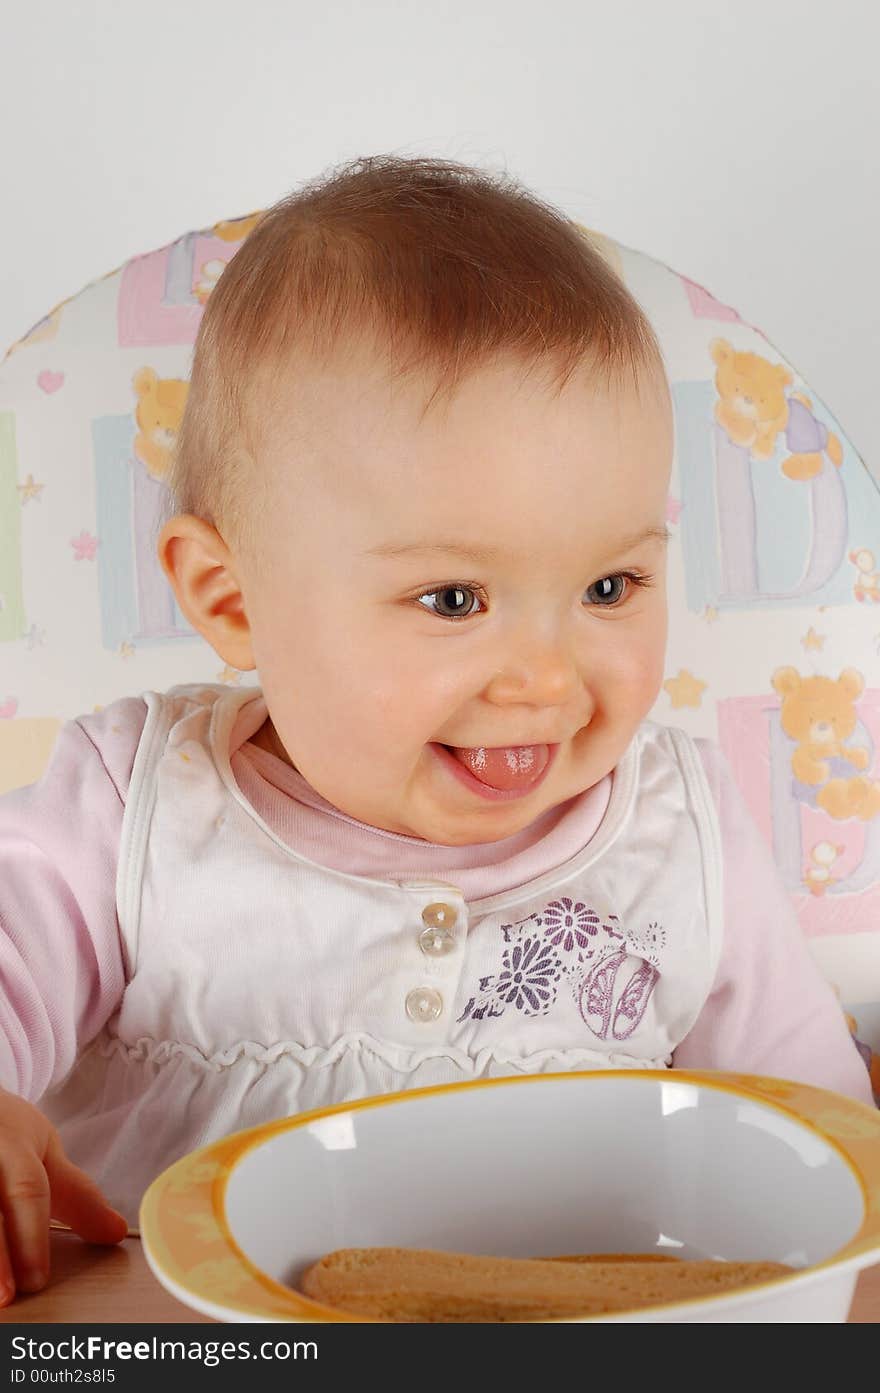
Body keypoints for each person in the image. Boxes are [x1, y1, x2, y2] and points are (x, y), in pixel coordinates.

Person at [0, 155, 872, 1306]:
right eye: (454, 601)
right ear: (230, 599)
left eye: (610, 587)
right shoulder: (132, 809)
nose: (547, 677)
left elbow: (823, 1158)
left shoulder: (682, 836)